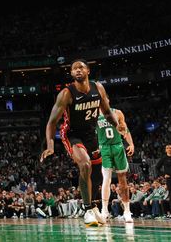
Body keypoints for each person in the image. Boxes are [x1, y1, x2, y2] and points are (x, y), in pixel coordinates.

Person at [40, 59, 119, 226]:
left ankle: (94, 205)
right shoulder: (67, 93)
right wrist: (50, 145)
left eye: (80, 67)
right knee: (85, 165)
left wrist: (119, 127)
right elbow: (52, 122)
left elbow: (106, 111)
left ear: (88, 70)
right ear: (71, 73)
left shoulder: (98, 88)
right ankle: (87, 210)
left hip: (91, 134)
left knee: (98, 174)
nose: (77, 70)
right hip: (72, 134)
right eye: (74, 68)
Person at [96, 107, 134, 223]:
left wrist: (131, 144)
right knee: (106, 179)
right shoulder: (94, 114)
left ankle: (127, 212)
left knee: (123, 180)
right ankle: (104, 211)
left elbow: (125, 129)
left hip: (118, 146)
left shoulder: (117, 112)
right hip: (104, 148)